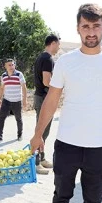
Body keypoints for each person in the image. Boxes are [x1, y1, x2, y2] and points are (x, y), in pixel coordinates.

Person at [30, 3, 102, 203]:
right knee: (61, 198)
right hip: (66, 144)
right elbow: (51, 100)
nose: (91, 32)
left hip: (97, 146)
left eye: (96, 26)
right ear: (78, 28)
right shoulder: (66, 61)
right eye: (85, 26)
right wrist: (38, 134)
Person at [33, 34, 60, 175]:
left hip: (41, 97)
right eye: (58, 44)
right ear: (53, 43)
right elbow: (46, 81)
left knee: (44, 131)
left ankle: (41, 158)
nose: (59, 47)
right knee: (41, 131)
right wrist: (58, 88)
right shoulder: (47, 59)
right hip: (43, 98)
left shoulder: (42, 57)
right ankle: (35, 162)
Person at [0, 58, 27, 143]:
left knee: (18, 118)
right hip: (6, 100)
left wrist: (25, 100)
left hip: (17, 100)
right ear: (5, 66)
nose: (11, 66)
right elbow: (2, 88)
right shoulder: (3, 76)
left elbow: (24, 87)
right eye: (9, 65)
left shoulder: (19, 74)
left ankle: (20, 135)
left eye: (12, 65)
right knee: (1, 118)